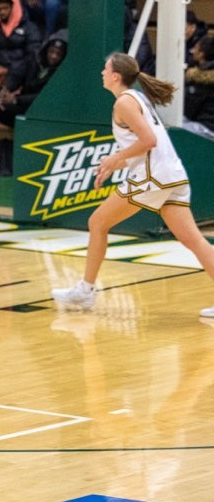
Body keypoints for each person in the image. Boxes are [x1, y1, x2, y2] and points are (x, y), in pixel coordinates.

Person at [52, 52, 214, 316]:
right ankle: (85, 290)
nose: (102, 73)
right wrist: (116, 162)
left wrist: (117, 157)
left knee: (97, 223)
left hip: (154, 178)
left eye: (105, 69)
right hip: (172, 175)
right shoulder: (137, 98)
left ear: (115, 75)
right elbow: (144, 146)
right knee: (194, 240)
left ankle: (85, 291)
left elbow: (148, 140)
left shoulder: (124, 103)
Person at [0, 29, 66, 176]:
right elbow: (17, 73)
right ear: (46, 49)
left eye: (58, 54)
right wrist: (5, 89)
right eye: (52, 51)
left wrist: (16, 99)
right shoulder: (34, 58)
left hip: (43, 116)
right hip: (22, 110)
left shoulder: (63, 72)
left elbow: (45, 97)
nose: (54, 56)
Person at [183, 35, 214, 139]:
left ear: (201, 54)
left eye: (195, 48)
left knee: (170, 128)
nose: (192, 51)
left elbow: (189, 109)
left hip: (207, 128)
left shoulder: (201, 82)